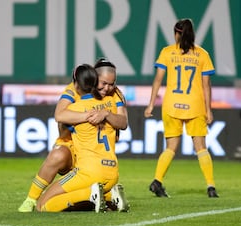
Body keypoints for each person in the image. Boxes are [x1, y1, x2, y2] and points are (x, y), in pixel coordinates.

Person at [18, 58, 129, 212]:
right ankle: (30, 199)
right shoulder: (74, 90)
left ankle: (95, 195)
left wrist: (104, 114)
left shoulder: (113, 94)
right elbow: (59, 115)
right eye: (104, 83)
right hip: (97, 159)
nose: (108, 88)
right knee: (58, 155)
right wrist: (90, 115)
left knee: (45, 205)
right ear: (94, 79)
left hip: (90, 160)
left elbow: (123, 123)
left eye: (112, 83)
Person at [144, 18, 218, 198]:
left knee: (170, 147)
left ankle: (157, 180)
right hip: (195, 105)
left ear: (176, 33)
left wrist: (151, 104)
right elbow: (206, 85)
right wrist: (209, 110)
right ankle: (210, 187)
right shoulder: (202, 54)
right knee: (201, 147)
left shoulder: (167, 52)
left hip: (171, 105)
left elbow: (157, 80)